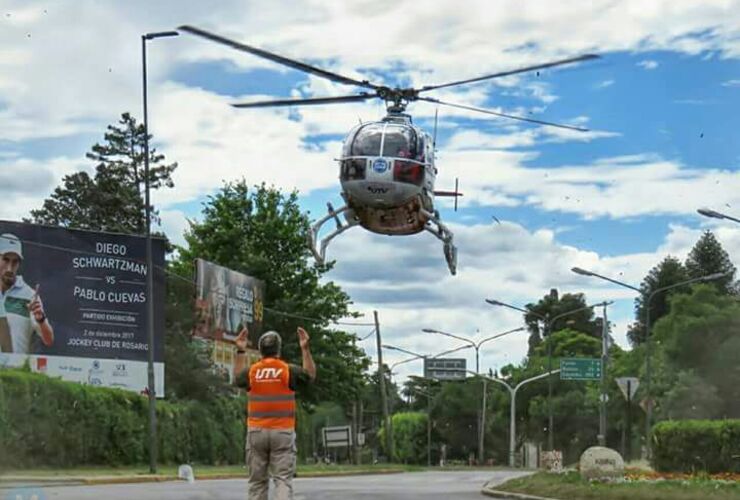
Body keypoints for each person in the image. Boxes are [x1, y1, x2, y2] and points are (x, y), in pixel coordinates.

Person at [233, 326, 316, 500]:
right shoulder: (287, 370)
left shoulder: (253, 371)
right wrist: (305, 349)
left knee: (257, 482)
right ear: (278, 349)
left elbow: (237, 378)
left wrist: (241, 350)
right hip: (282, 432)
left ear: (260, 350)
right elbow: (309, 375)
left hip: (256, 432)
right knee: (282, 480)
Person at [0, 234, 54, 353]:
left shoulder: (30, 295)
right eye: (5, 259)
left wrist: (41, 319)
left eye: (15, 262)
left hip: (14, 370)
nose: (9, 268)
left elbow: (48, 340)